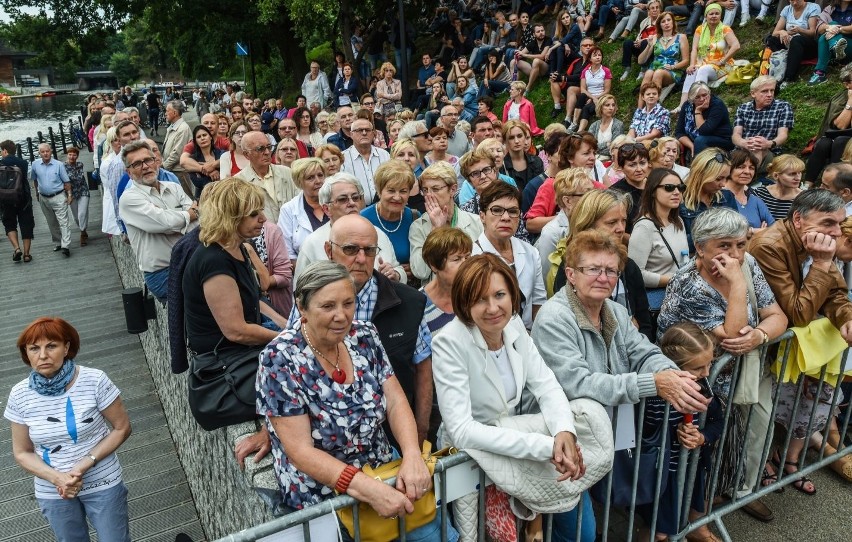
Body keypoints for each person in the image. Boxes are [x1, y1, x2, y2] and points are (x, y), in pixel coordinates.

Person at [256, 261, 454, 541]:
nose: (341, 316)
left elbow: (395, 400)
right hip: (325, 495)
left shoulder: (364, 335)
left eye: (348, 303)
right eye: (328, 306)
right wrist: (368, 490)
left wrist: (411, 455)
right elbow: (301, 451)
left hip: (382, 467)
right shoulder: (279, 358)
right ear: (302, 308)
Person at [431, 254, 586, 542]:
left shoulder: (514, 326)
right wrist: (546, 447)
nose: (492, 308)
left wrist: (564, 429)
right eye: (479, 299)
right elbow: (462, 430)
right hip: (471, 457)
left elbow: (546, 385)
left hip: (512, 446)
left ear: (512, 294)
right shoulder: (449, 342)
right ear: (464, 303)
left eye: (499, 294)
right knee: (476, 536)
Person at [657, 208, 787, 522]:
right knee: (713, 446)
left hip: (745, 371)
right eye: (724, 246)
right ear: (700, 248)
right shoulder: (690, 285)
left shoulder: (749, 263)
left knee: (755, 432)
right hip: (704, 381)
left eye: (741, 245)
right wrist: (738, 285)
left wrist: (758, 335)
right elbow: (731, 336)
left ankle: (739, 492)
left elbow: (778, 317)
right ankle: (700, 510)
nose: (735, 255)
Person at [289, 215, 436, 444]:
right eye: (350, 249)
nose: (360, 259)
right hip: (322, 438)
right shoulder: (309, 297)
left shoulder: (409, 303)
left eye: (369, 251)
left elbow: (423, 369)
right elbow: (288, 363)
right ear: (329, 250)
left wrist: (419, 432)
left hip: (392, 434)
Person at [532, 228, 710, 413]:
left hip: (610, 428)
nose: (603, 278)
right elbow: (577, 384)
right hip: (566, 429)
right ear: (571, 275)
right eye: (593, 269)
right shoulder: (553, 318)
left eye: (611, 271)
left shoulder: (616, 311)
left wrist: (669, 374)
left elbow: (644, 354)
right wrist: (651, 383)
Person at [5, 317, 132, 541]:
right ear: (26, 353)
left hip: (102, 480)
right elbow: (22, 452)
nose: (42, 355)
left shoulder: (94, 380)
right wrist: (58, 479)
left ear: (67, 347)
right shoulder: (19, 394)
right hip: (53, 489)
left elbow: (122, 428)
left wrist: (83, 465)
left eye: (51, 346)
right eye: (34, 348)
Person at [183, 179, 283, 461]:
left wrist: (288, 325)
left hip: (238, 353)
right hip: (223, 363)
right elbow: (236, 331)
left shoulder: (237, 249)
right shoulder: (214, 261)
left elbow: (254, 304)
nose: (263, 219)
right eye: (254, 214)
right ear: (231, 217)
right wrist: (288, 338)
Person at [638, 322, 724, 542]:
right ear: (671, 367)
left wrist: (702, 437)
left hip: (690, 470)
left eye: (709, 364)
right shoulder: (651, 395)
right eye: (697, 368)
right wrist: (666, 432)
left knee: (679, 518)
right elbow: (641, 434)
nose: (707, 373)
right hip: (660, 476)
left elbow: (717, 422)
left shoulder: (705, 386)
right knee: (657, 530)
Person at [551, 189, 655, 340]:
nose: (620, 229)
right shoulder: (571, 268)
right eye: (612, 222)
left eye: (623, 221)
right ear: (588, 225)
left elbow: (645, 324)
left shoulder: (628, 266)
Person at [119, 140, 199, 301]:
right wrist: (187, 216)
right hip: (163, 273)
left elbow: (197, 223)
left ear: (156, 161)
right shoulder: (129, 199)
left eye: (148, 160)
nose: (145, 166)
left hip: (191, 261)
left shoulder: (174, 187)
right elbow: (165, 223)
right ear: (129, 172)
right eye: (137, 164)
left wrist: (175, 221)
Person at [294, 172, 406, 284]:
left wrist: (395, 274)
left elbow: (398, 269)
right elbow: (300, 291)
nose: (352, 203)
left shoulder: (377, 233)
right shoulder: (312, 243)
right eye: (343, 199)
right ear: (326, 209)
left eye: (355, 197)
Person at [471, 182, 546, 329]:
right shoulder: (471, 258)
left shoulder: (530, 252)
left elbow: (538, 302)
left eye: (512, 211)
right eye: (497, 210)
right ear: (482, 216)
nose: (506, 217)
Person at [409, 162, 484, 281]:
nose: (429, 195)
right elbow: (420, 272)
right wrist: (435, 230)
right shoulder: (418, 226)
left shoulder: (476, 222)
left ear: (453, 189)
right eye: (425, 190)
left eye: (435, 189)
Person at [527, 132, 608, 233]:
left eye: (594, 153)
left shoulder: (601, 189)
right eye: (586, 153)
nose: (592, 158)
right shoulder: (552, 185)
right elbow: (531, 224)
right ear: (570, 158)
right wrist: (566, 218)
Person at [629, 168, 689, 292]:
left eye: (681, 187)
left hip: (680, 294)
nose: (677, 192)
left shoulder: (678, 221)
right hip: (658, 299)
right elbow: (635, 274)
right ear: (653, 191)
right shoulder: (644, 227)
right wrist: (674, 279)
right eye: (669, 187)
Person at [674, 3, 740, 112]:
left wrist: (723, 60)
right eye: (711, 14)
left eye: (717, 13)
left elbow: (736, 46)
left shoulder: (725, 29)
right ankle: (683, 105)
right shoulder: (700, 29)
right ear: (706, 16)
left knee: (702, 70)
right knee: (692, 71)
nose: (714, 16)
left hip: (722, 65)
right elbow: (694, 49)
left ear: (720, 15)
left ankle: (701, 103)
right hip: (703, 62)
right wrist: (691, 65)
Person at [535, 168, 595, 284]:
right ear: (568, 201)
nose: (592, 199)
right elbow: (546, 276)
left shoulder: (593, 223)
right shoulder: (552, 232)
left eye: (593, 193)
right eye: (586, 194)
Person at [361, 160, 418, 282]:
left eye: (403, 191)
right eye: (391, 190)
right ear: (379, 191)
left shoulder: (414, 217)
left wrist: (415, 268)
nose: (397, 197)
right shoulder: (363, 220)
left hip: (410, 288)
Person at [731, 76, 794, 172]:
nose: (769, 95)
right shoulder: (743, 108)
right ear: (753, 93)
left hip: (769, 150)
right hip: (743, 148)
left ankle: (747, 182)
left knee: (757, 149)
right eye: (764, 91)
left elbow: (783, 135)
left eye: (772, 91)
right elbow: (736, 135)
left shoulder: (783, 106)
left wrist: (769, 144)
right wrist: (744, 143)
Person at [234, 131, 299, 223]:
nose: (267, 152)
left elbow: (300, 204)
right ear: (246, 155)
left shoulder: (287, 173)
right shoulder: (239, 182)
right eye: (260, 149)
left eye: (269, 147)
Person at [420, 226, 473, 335]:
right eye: (457, 259)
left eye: (467, 257)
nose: (465, 264)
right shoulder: (418, 305)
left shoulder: (477, 293)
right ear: (434, 265)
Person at [278, 157, 329, 267]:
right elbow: (288, 253)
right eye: (310, 178)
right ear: (299, 183)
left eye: (320, 175)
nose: (318, 181)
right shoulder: (288, 210)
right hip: (307, 275)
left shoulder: (336, 202)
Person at [805, 67, 852, 184]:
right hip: (839, 137)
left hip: (844, 141)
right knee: (823, 143)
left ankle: (833, 183)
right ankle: (806, 185)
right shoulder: (840, 99)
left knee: (841, 141)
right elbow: (839, 125)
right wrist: (850, 102)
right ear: (847, 85)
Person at [29, 143, 73, 257]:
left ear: (51, 151)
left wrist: (69, 195)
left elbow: (66, 182)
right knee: (51, 222)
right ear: (39, 153)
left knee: (63, 222)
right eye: (42, 152)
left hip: (58, 196)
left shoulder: (58, 165)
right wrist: (37, 194)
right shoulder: (35, 165)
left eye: (47, 151)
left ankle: (66, 245)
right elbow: (34, 180)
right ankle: (58, 242)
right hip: (44, 197)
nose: (45, 153)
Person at [766, 0, 820, 85]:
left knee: (797, 40)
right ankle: (788, 57)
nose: (794, 3)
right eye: (792, 0)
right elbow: (775, 33)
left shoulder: (813, 7)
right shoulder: (787, 9)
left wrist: (800, 30)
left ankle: (789, 78)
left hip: (807, 44)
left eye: (797, 0)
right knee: (771, 40)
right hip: (789, 42)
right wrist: (783, 32)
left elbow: (813, 33)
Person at [675, 82, 734, 159]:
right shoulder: (687, 106)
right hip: (695, 140)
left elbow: (704, 131)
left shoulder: (717, 105)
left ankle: (699, 168)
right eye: (697, 97)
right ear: (692, 98)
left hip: (722, 139)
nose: (702, 99)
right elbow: (679, 132)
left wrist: (698, 111)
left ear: (709, 93)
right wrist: (692, 145)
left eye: (704, 95)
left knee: (700, 140)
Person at [637, 11, 689, 93]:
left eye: (668, 20)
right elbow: (640, 61)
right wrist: (649, 46)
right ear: (660, 25)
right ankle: (640, 106)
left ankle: (655, 103)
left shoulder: (681, 37)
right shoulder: (655, 38)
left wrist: (673, 67)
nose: (666, 23)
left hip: (672, 70)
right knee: (648, 73)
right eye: (663, 21)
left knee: (658, 73)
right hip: (654, 68)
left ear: (673, 22)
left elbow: (686, 61)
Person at [725, 149, 775, 233]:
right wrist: (753, 231)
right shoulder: (718, 197)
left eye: (751, 168)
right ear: (729, 169)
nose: (747, 172)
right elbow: (720, 230)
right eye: (741, 167)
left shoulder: (755, 200)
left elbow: (774, 230)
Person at [0, 139, 34, 262]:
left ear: (5, 150)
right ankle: (26, 254)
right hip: (23, 198)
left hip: (5, 199)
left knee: (9, 224)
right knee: (26, 224)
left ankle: (16, 248)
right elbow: (28, 178)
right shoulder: (23, 163)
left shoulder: (0, 163)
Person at [808, 0, 852, 85]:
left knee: (828, 32)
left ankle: (820, 73)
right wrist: (828, 27)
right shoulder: (830, 9)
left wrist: (838, 29)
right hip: (837, 51)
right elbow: (820, 28)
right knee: (824, 35)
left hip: (849, 46)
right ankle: (820, 73)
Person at [610, 141, 652, 230]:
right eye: (632, 165)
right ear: (621, 168)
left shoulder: (657, 185)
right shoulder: (615, 192)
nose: (639, 169)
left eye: (642, 163)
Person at [619, 0, 662, 83]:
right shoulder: (644, 21)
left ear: (660, 9)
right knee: (627, 43)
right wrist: (637, 41)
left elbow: (660, 36)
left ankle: (643, 69)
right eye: (652, 8)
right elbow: (640, 34)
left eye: (657, 7)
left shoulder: (662, 20)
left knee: (645, 42)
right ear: (648, 11)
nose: (655, 10)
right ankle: (627, 69)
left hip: (654, 48)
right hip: (642, 47)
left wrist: (642, 41)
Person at [752, 154, 804, 222]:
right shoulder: (760, 193)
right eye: (792, 174)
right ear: (776, 175)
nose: (798, 178)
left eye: (799, 173)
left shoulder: (804, 198)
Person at [162, 101, 194, 197]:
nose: (165, 113)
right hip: (172, 170)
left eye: (167, 111)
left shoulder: (183, 129)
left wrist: (163, 166)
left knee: (185, 197)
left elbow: (177, 153)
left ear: (175, 113)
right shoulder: (174, 126)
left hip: (179, 172)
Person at [503, 121, 544, 192]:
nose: (516, 141)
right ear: (505, 141)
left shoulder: (537, 161)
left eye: (519, 136)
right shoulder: (501, 166)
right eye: (511, 137)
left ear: (525, 137)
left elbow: (541, 189)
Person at [183, 125, 223, 199]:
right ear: (195, 141)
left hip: (223, 195)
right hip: (203, 198)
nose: (202, 138)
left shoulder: (222, 154)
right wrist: (210, 172)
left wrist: (213, 166)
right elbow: (198, 182)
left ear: (210, 137)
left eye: (204, 135)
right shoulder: (193, 159)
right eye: (198, 137)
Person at [588, 95, 624, 161]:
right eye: (607, 105)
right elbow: (589, 146)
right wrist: (606, 144)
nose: (611, 108)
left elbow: (614, 149)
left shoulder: (618, 124)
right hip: (591, 159)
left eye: (613, 105)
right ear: (601, 107)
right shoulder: (594, 125)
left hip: (608, 160)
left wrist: (596, 148)